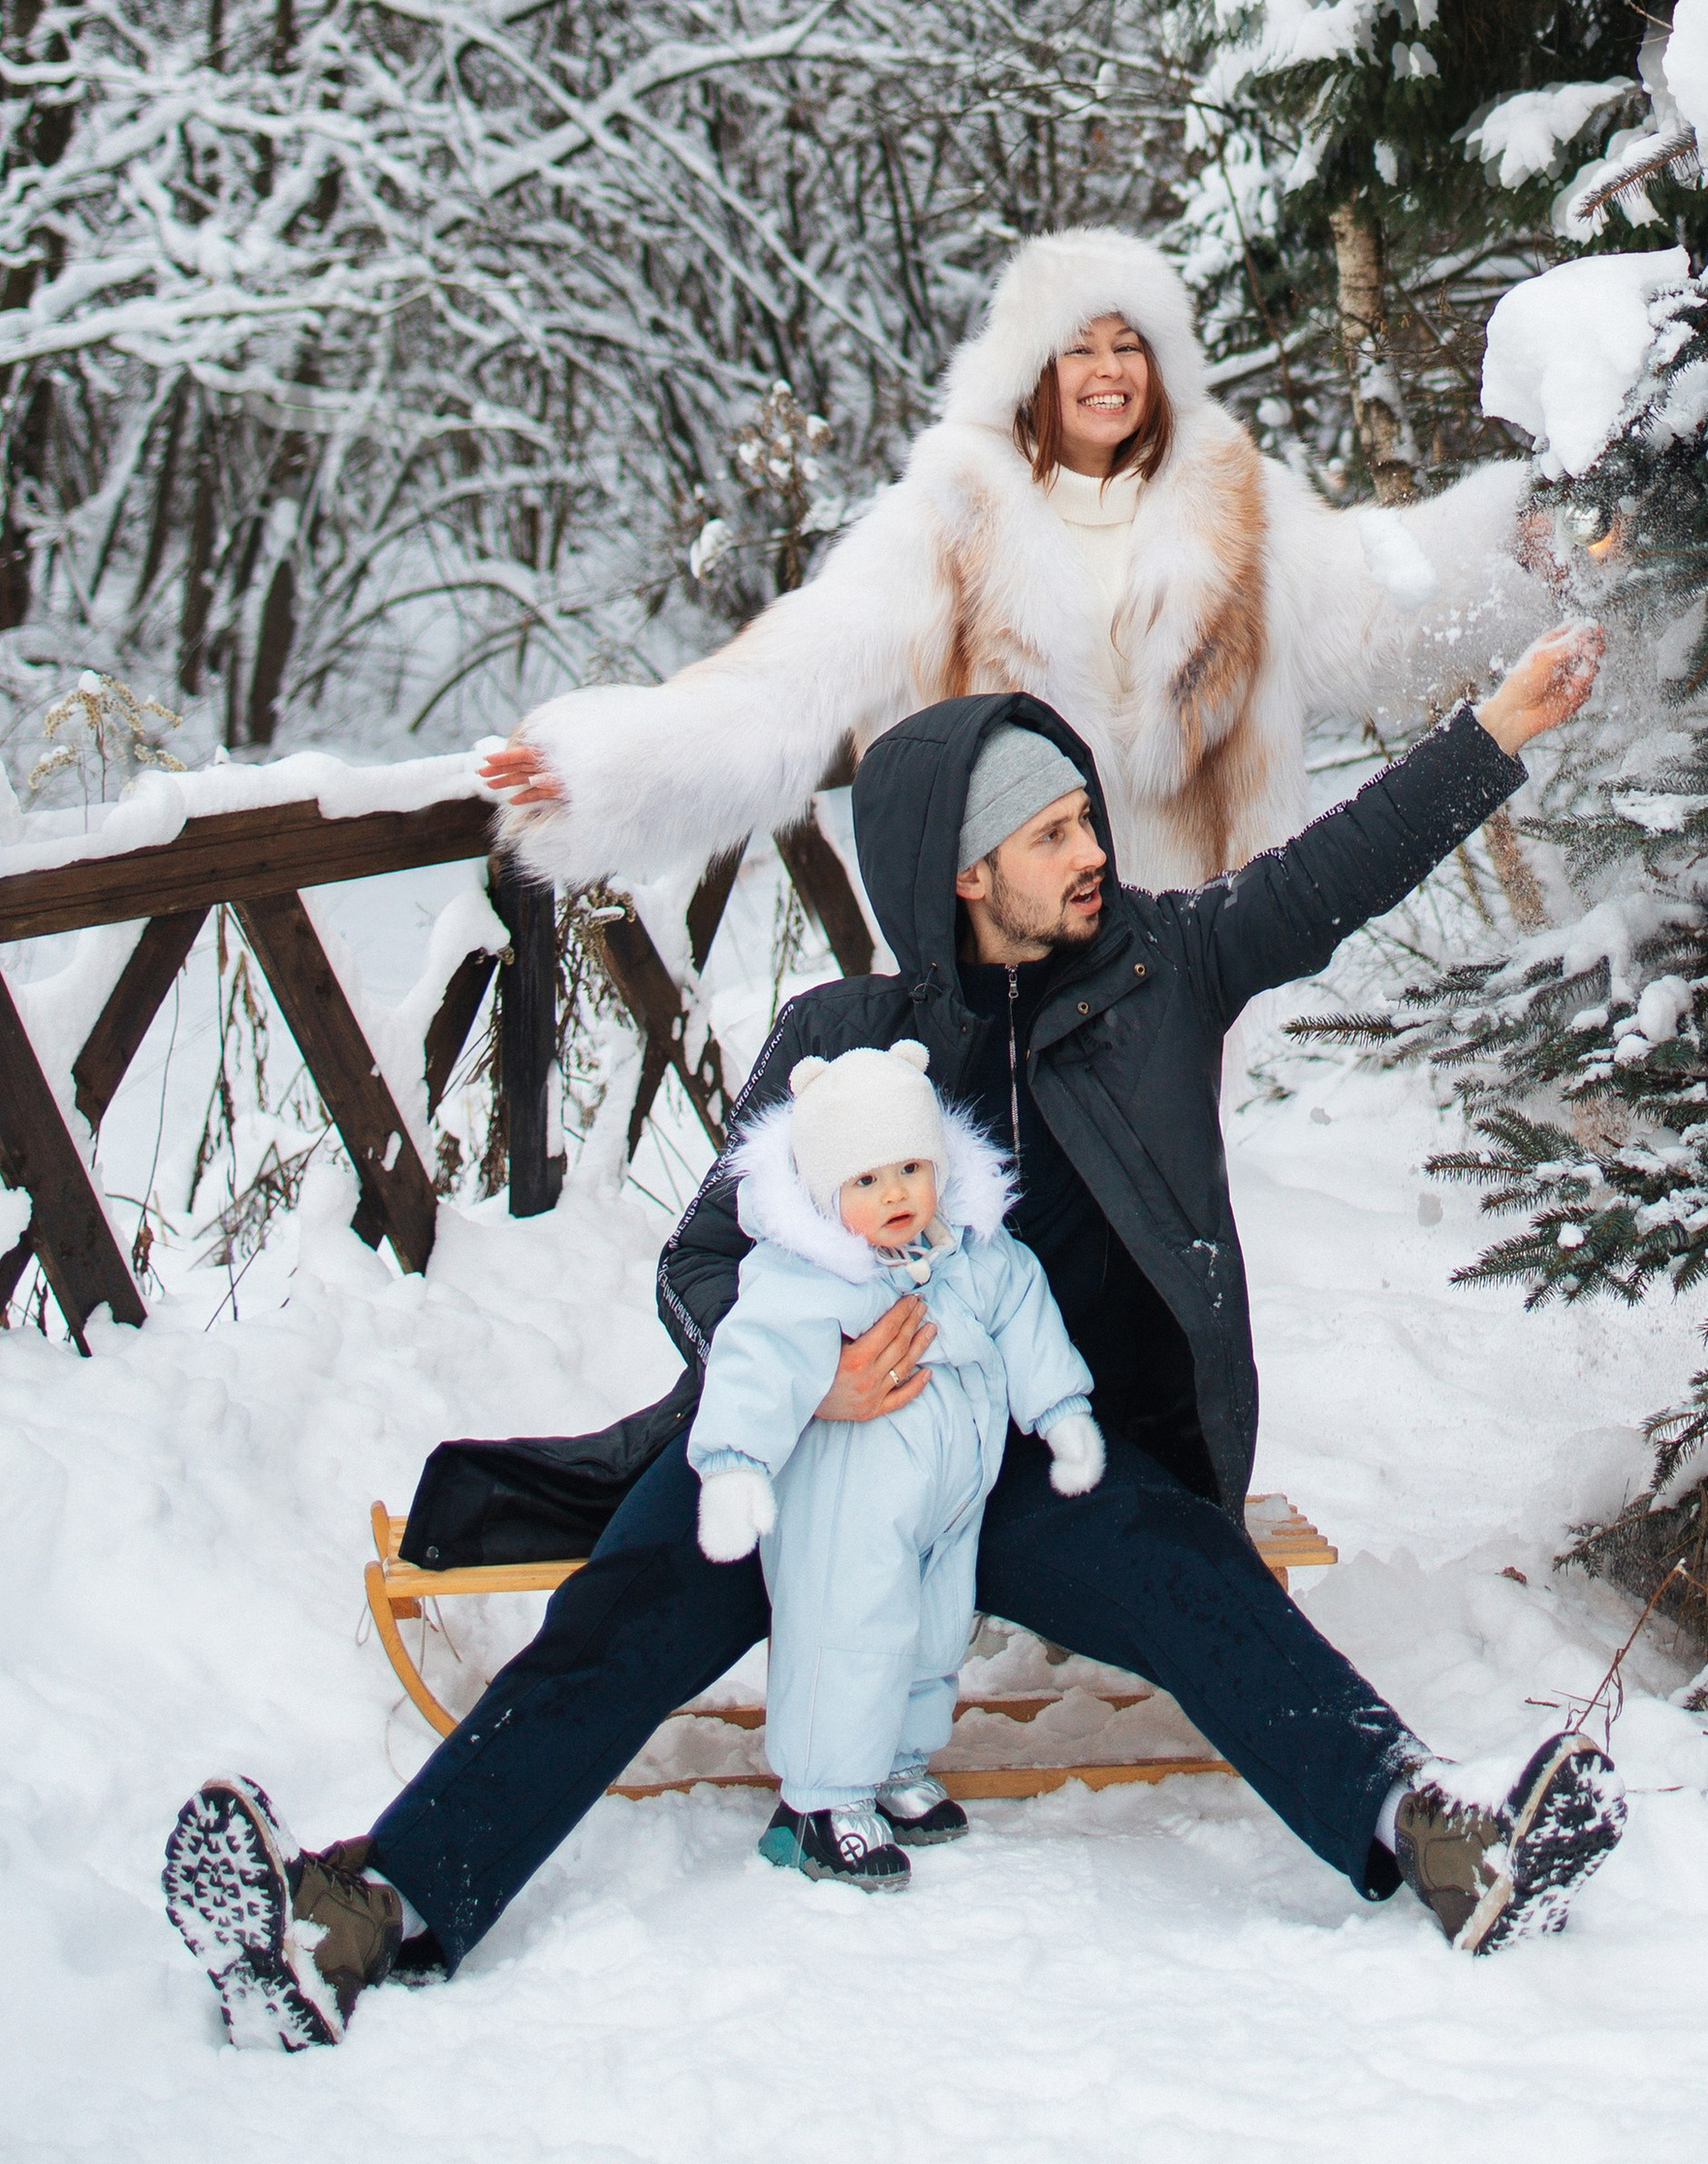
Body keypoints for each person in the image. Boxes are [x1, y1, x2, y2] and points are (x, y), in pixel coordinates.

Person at [161, 624, 1620, 2045]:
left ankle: (1444, 1839)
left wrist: (1493, 734)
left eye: (1084, 820)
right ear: (965, 871)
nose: (1091, 852)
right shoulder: (836, 1037)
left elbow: (1324, 881)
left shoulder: (1163, 969)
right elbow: (703, 1257)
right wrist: (817, 1385)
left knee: (1195, 1578)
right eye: (1050, 835)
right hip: (816, 1436)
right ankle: (359, 1917)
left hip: (1042, 1455)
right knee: (625, 1611)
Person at [483, 225, 1537, 896]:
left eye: (1131, 346)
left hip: (1197, 954)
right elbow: (797, 672)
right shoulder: (951, 515)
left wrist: (1519, 547)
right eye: (1079, 346)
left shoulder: (1233, 503)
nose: (1108, 369)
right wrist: (608, 771)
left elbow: (1372, 610)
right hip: (1012, 953)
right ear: (1032, 370)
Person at [685, 1034, 1101, 1892]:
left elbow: (1026, 1312)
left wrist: (1061, 1412)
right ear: (825, 1191)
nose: (895, 1194)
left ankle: (894, 1765)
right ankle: (819, 1801)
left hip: (946, 1499)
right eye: (866, 1180)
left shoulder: (974, 1256)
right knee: (849, 1632)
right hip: (847, 1507)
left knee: (931, 1628)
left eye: (910, 1167)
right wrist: (733, 1465)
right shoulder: (806, 1278)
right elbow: (752, 1360)